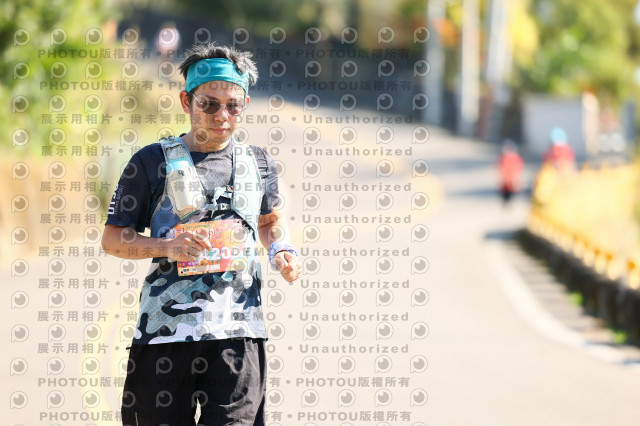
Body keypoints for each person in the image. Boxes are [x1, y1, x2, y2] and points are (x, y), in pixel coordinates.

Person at [101, 42, 301, 426]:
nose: (222, 115)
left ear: (244, 105)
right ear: (186, 101)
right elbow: (112, 239)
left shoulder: (259, 162)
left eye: (233, 106)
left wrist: (282, 248)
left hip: (238, 336)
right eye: (209, 104)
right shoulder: (151, 161)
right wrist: (167, 246)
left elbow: (269, 222)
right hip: (164, 336)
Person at [496, 139, 524, 206]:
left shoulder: (512, 157)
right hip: (506, 179)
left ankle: (508, 202)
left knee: (510, 192)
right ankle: (507, 202)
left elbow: (518, 167)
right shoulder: (505, 157)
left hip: (510, 179)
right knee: (506, 193)